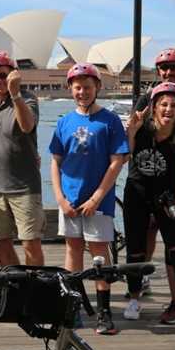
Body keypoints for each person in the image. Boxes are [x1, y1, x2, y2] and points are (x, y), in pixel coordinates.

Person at [50, 63, 128, 335]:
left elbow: (117, 161)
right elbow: (55, 161)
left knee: (99, 253)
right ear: (70, 89)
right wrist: (59, 197)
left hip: (99, 201)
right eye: (77, 87)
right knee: (72, 250)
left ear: (97, 88)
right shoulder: (64, 122)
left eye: (87, 87)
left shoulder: (110, 120)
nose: (82, 92)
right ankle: (73, 307)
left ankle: (104, 312)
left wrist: (97, 197)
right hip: (70, 199)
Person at [123, 82, 175, 324]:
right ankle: (134, 298)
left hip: (167, 198)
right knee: (135, 249)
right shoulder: (141, 130)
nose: (168, 109)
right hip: (137, 195)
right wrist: (131, 133)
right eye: (163, 104)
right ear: (153, 107)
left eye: (174, 105)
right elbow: (126, 158)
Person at [0, 51, 45, 268]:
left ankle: (35, 289)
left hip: (25, 188)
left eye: (2, 75)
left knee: (31, 243)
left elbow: (27, 126)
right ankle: (16, 284)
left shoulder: (27, 98)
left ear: (12, 75)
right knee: (1, 243)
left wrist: (15, 94)